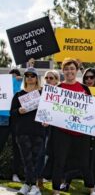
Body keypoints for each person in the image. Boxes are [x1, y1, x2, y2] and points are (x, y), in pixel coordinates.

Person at [49, 58, 95, 195]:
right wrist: (46, 119)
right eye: (66, 69)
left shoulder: (85, 88)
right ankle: (56, 191)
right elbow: (51, 109)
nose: (69, 71)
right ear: (63, 71)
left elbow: (91, 110)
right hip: (62, 132)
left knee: (84, 163)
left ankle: (92, 190)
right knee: (59, 161)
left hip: (82, 132)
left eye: (72, 68)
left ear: (76, 71)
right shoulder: (57, 89)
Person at [10, 67, 45, 195]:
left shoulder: (43, 94)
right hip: (22, 132)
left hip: (39, 132)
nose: (30, 77)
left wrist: (47, 121)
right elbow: (12, 113)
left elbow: (49, 111)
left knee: (36, 160)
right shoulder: (18, 95)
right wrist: (18, 111)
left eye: (33, 75)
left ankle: (31, 186)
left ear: (37, 78)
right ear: (25, 78)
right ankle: (30, 185)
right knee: (27, 160)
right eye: (28, 75)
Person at [0, 69, 23, 182]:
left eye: (15, 76)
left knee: (17, 147)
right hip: (4, 119)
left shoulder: (22, 85)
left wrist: (20, 80)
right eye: (11, 77)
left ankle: (15, 173)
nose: (13, 79)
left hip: (16, 120)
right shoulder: (3, 84)